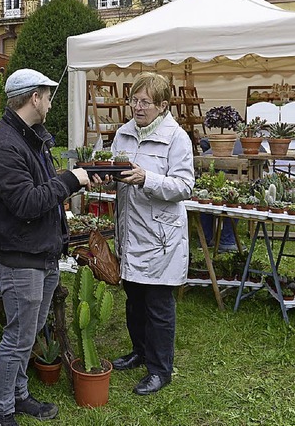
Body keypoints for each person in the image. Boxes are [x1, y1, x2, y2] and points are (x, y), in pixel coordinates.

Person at [0, 68, 91, 426]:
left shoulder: (30, 138)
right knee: (17, 339)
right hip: (19, 260)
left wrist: (71, 182)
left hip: (41, 254)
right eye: (48, 95)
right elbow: (26, 203)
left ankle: (18, 396)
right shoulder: (4, 146)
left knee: (27, 336)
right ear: (34, 98)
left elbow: (45, 190)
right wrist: (71, 180)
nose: (50, 102)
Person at [108, 72, 194, 396]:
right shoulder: (123, 133)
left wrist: (148, 178)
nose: (137, 107)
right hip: (130, 230)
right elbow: (116, 170)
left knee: (158, 303)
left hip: (160, 236)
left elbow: (184, 186)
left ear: (162, 105)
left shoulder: (177, 138)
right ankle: (140, 353)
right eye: (134, 100)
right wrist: (105, 176)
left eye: (145, 102)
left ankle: (161, 370)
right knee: (135, 300)